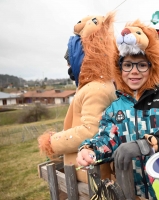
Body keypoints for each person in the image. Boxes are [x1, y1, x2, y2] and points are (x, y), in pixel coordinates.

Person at [76, 20, 159, 199]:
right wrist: (89, 150)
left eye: (142, 65)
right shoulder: (114, 109)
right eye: (128, 65)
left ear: (152, 67)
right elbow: (107, 139)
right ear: (119, 69)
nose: (134, 71)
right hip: (134, 191)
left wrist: (145, 144)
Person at [38, 12, 117, 183]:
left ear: (81, 59)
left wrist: (53, 142)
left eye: (70, 59)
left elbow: (92, 130)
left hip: (90, 173)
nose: (68, 65)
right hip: (85, 170)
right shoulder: (94, 85)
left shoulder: (96, 88)